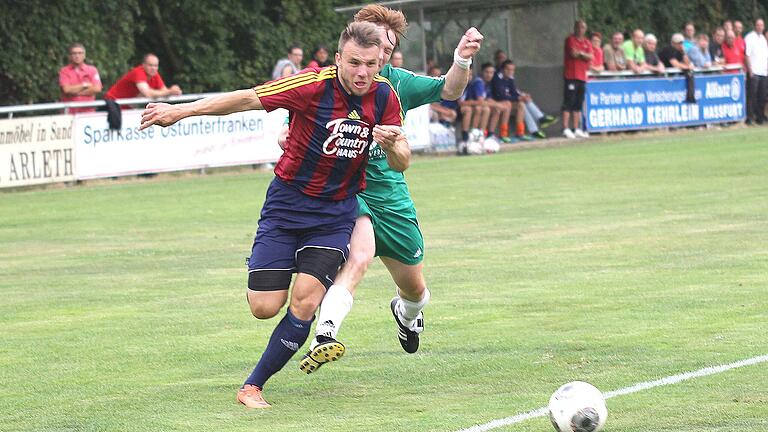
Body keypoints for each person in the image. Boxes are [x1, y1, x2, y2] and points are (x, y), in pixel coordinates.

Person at [140, 21, 405, 409]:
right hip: (285, 207)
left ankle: (252, 386)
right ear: (338, 60)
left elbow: (402, 162)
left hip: (335, 214)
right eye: (354, 63)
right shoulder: (310, 85)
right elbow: (246, 98)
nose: (363, 72)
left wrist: (394, 144)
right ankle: (275, 273)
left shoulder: (384, 96)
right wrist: (180, 112)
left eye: (370, 63)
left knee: (305, 301)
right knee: (264, 307)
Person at [297, 5, 483, 374]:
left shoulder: (396, 82)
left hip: (390, 195)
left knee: (415, 289)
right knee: (359, 257)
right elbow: (293, 107)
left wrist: (460, 60)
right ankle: (326, 333)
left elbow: (448, 89)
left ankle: (405, 312)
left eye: (388, 47)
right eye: (377, 44)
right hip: (348, 191)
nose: (381, 53)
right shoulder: (327, 80)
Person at [105, 53, 182, 101]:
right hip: (113, 102)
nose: (153, 68)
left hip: (127, 105)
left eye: (155, 66)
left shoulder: (155, 74)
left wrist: (173, 91)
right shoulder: (138, 72)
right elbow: (148, 94)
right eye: (150, 65)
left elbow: (164, 91)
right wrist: (170, 92)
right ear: (143, 65)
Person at [562, 19, 592, 139]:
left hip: (581, 76)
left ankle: (576, 128)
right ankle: (565, 128)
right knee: (568, 102)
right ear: (575, 28)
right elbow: (573, 54)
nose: (580, 29)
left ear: (585, 29)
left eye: (583, 27)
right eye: (578, 27)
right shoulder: (570, 39)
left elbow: (590, 56)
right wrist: (582, 54)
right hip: (571, 75)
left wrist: (581, 54)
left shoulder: (587, 42)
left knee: (578, 103)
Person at [491, 59, 532, 141]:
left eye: (512, 70)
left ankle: (520, 133)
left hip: (506, 101)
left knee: (521, 104)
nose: (510, 72)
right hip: (495, 102)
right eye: (508, 69)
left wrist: (522, 96)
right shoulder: (497, 78)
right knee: (508, 104)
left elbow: (513, 92)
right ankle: (503, 134)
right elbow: (501, 96)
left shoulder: (510, 78)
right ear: (503, 69)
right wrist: (518, 98)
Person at [58, 43, 102, 113]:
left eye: (80, 53)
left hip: (88, 111)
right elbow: (66, 90)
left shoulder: (92, 70)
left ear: (84, 55)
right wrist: (85, 85)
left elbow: (97, 89)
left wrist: (74, 92)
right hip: (69, 113)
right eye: (74, 53)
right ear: (70, 56)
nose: (77, 56)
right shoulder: (64, 71)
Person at [744, 19, 768, 124]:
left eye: (761, 25)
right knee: (752, 95)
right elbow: (747, 54)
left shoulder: (763, 38)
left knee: (762, 96)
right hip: (754, 71)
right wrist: (750, 70)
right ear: (755, 26)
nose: (760, 27)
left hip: (763, 71)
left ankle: (760, 117)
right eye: (758, 25)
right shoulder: (749, 37)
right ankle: (750, 117)